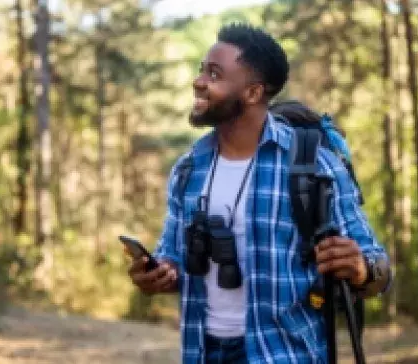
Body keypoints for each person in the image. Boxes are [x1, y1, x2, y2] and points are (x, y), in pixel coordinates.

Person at [127, 23, 390, 364]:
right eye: (202, 70)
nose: (199, 82)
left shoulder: (313, 164)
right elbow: (173, 259)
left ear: (252, 93)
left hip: (285, 355)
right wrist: (158, 274)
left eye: (215, 74)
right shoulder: (188, 169)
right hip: (202, 353)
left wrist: (361, 268)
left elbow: (378, 267)